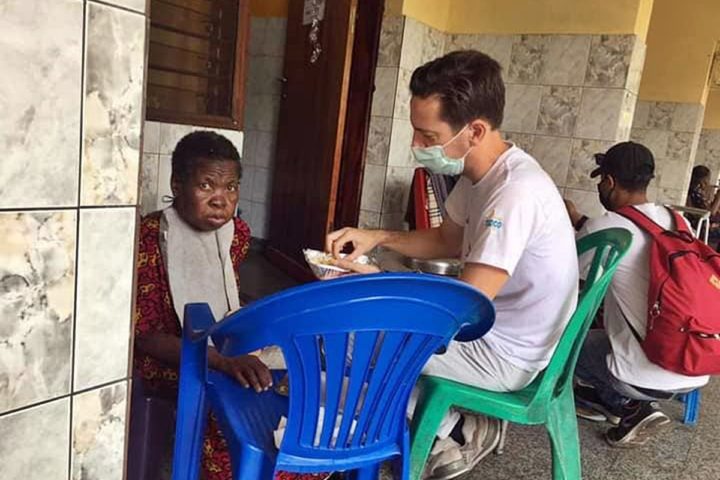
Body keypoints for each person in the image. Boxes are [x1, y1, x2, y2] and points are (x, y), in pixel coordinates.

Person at [326, 50, 579, 480]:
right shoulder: (484, 174)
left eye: (427, 136)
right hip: (500, 331)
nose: (416, 146)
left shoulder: (514, 193)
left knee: (355, 337)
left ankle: (452, 429)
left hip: (505, 354)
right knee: (373, 324)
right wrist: (376, 237)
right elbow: (446, 239)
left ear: (474, 131)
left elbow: (467, 307)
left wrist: (382, 283)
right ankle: (446, 426)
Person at [133, 131, 325, 480]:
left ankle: (303, 463)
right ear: (177, 185)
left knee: (301, 377)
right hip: (166, 358)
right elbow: (144, 336)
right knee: (236, 407)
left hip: (223, 344)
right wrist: (222, 361)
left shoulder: (236, 235)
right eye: (206, 186)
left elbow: (225, 296)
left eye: (231, 187)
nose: (221, 200)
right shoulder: (148, 239)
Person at [565, 142, 709, 447]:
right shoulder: (679, 222)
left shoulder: (606, 226)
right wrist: (580, 220)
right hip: (694, 363)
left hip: (643, 375)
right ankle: (607, 399)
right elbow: (632, 238)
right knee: (603, 337)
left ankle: (629, 405)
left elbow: (568, 275)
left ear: (609, 182)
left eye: (600, 181)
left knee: (563, 344)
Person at [686, 165, 720, 247]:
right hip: (701, 226)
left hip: (704, 223)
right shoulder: (694, 193)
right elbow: (710, 214)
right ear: (702, 181)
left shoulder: (696, 192)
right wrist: (718, 198)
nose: (708, 183)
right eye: (708, 180)